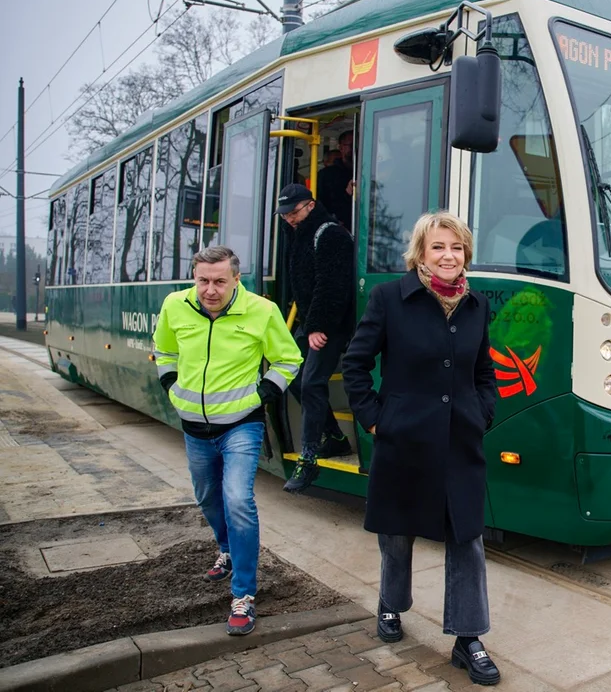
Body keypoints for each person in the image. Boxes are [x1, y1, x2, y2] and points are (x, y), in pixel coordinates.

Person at [341, 212, 501, 686]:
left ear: (465, 253)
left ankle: (468, 637)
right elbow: (355, 363)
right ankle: (391, 604)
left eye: (456, 247)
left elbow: (484, 372)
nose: (448, 256)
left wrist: (481, 412)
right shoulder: (390, 297)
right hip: (404, 439)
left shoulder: (477, 305)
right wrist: (375, 418)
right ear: (420, 253)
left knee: (467, 539)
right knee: (396, 532)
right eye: (438, 247)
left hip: (459, 441)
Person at [152, 246, 302, 636]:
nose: (210, 290)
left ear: (237, 279)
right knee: (206, 496)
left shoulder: (262, 311)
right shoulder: (175, 305)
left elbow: (289, 359)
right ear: (194, 277)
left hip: (241, 424)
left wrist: (264, 394)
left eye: (220, 281)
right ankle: (227, 549)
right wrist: (171, 385)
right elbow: (164, 350)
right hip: (193, 427)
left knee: (238, 499)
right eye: (203, 280)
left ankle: (244, 595)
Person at [275, 183, 356, 493]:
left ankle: (307, 459)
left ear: (310, 205)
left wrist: (318, 326)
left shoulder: (330, 234)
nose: (289, 219)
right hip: (311, 321)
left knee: (311, 382)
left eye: (294, 213)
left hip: (329, 323)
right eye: (284, 215)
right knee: (290, 375)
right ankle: (334, 438)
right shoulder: (298, 232)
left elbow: (333, 285)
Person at [317, 130, 356, 232]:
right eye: (351, 145)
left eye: (359, 143)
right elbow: (322, 206)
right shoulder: (326, 175)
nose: (356, 147)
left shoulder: (370, 171)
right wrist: (347, 194)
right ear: (340, 148)